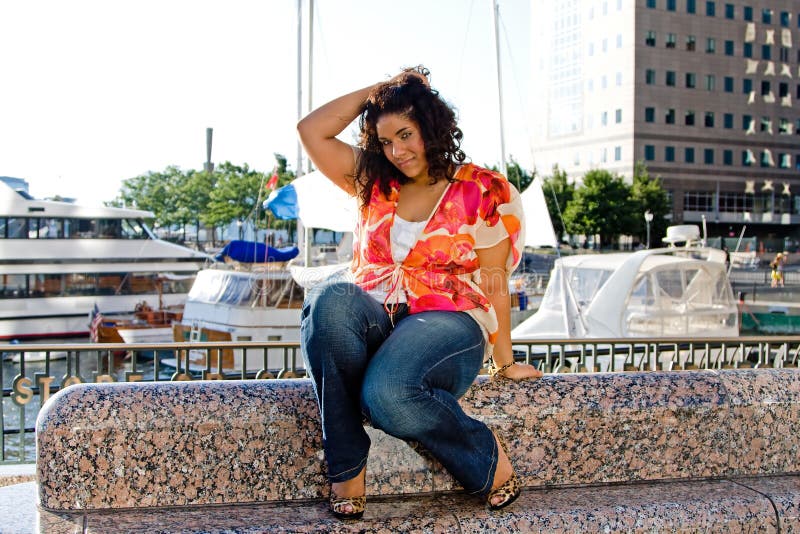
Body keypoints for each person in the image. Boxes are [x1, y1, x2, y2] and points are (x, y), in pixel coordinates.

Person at [296, 66, 542, 520]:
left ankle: (486, 458)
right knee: (329, 297)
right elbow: (311, 130)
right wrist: (381, 93)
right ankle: (347, 465)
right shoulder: (374, 181)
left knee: (388, 393)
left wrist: (504, 363)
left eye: (405, 134)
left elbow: (493, 280)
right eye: (386, 141)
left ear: (431, 124)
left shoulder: (482, 190)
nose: (397, 151)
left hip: (450, 323)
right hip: (376, 312)